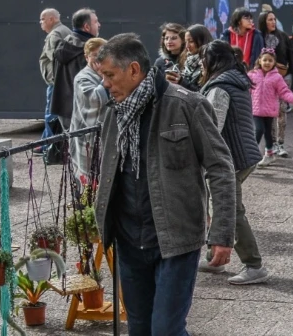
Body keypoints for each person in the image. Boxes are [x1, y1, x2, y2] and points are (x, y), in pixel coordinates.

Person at [93, 34, 236, 334]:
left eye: (109, 75)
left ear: (133, 69)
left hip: (175, 239)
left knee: (166, 330)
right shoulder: (113, 112)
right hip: (129, 241)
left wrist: (222, 232)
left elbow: (221, 168)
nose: (105, 83)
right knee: (140, 328)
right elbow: (105, 170)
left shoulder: (187, 105)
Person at [197, 40, 268, 284]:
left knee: (230, 210)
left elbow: (212, 128)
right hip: (243, 155)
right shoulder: (236, 79)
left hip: (230, 158)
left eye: (202, 59)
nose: (200, 64)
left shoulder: (220, 86)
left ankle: (254, 264)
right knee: (217, 205)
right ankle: (213, 257)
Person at [249, 49, 293, 168]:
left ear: (274, 62)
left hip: (270, 111)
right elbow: (246, 89)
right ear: (260, 60)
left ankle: (269, 154)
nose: (267, 63)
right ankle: (251, 155)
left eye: (270, 60)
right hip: (256, 110)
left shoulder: (277, 77)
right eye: (265, 60)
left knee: (268, 133)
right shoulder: (252, 75)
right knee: (259, 130)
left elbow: (284, 92)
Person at [256, 10, 293, 157]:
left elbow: (292, 57)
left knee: (281, 111)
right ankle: (271, 144)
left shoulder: (283, 36)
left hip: (282, 77)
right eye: (269, 20)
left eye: (274, 19)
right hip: (263, 81)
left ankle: (280, 143)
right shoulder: (258, 37)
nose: (273, 22)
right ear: (263, 21)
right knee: (268, 114)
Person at [51, 8, 102, 127]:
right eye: (96, 22)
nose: (99, 25)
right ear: (86, 27)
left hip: (63, 109)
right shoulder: (90, 52)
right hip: (83, 110)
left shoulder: (61, 45)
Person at [69, 37, 109, 182]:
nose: (99, 59)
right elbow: (93, 99)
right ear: (87, 57)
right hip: (85, 136)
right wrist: (108, 81)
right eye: (94, 55)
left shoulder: (107, 73)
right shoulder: (82, 77)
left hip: (105, 135)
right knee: (88, 180)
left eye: (102, 54)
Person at [39, 8, 72, 140]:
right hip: (62, 81)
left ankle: (48, 144)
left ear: (51, 19)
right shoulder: (66, 31)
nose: (40, 23)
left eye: (42, 19)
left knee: (51, 113)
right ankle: (46, 141)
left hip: (56, 83)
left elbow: (56, 59)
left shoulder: (54, 34)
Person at [181, 25, 214, 91]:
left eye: (191, 41)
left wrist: (181, 81)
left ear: (202, 41)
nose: (187, 46)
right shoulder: (186, 59)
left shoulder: (210, 62)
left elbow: (203, 92)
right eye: (186, 42)